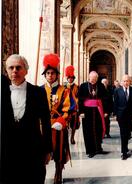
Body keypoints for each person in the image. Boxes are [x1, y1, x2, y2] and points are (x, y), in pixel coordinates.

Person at [1, 54, 52, 184]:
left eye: (18, 67)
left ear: (26, 70)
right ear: (6, 71)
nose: (14, 71)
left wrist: (47, 150)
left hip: (33, 150)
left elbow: (46, 122)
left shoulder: (38, 92)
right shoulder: (1, 92)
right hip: (7, 151)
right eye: (11, 68)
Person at [41, 53, 73, 184]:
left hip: (57, 124)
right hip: (43, 125)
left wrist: (61, 121)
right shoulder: (39, 90)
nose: (50, 76)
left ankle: (58, 171)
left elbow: (69, 108)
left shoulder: (64, 90)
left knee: (58, 150)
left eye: (52, 73)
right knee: (42, 150)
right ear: (45, 75)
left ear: (56, 75)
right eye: (48, 73)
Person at [78, 71, 107, 158]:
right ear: (89, 77)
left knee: (99, 129)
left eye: (95, 79)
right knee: (88, 131)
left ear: (97, 79)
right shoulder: (83, 86)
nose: (93, 80)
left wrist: (106, 111)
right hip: (87, 112)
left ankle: (98, 148)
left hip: (98, 111)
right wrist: (81, 112)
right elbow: (79, 99)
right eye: (92, 78)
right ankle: (90, 150)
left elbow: (105, 98)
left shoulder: (101, 86)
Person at [113, 74, 132, 160]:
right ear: (122, 82)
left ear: (130, 81)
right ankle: (123, 152)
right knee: (123, 133)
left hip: (131, 116)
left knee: (128, 133)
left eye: (127, 81)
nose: (126, 83)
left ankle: (126, 147)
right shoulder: (117, 91)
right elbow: (115, 104)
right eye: (124, 81)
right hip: (121, 116)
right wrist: (115, 114)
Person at [64, 65, 80, 144]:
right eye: (69, 78)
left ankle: (72, 138)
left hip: (74, 108)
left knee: (73, 124)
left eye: (71, 78)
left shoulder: (77, 87)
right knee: (65, 124)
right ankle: (66, 138)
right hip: (66, 108)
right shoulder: (64, 86)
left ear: (73, 78)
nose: (70, 79)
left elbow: (78, 97)